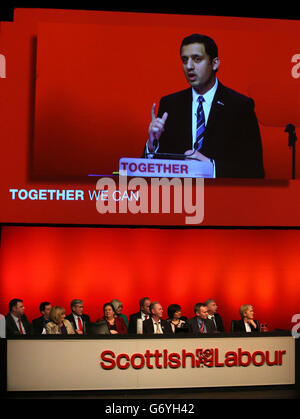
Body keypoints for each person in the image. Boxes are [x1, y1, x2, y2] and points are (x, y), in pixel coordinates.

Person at [145, 33, 264, 178]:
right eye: (184, 60)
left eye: (197, 59)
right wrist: (152, 144)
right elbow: (153, 172)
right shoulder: (170, 105)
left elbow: (254, 170)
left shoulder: (240, 106)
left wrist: (211, 168)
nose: (189, 66)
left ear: (214, 63)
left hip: (223, 196)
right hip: (180, 196)